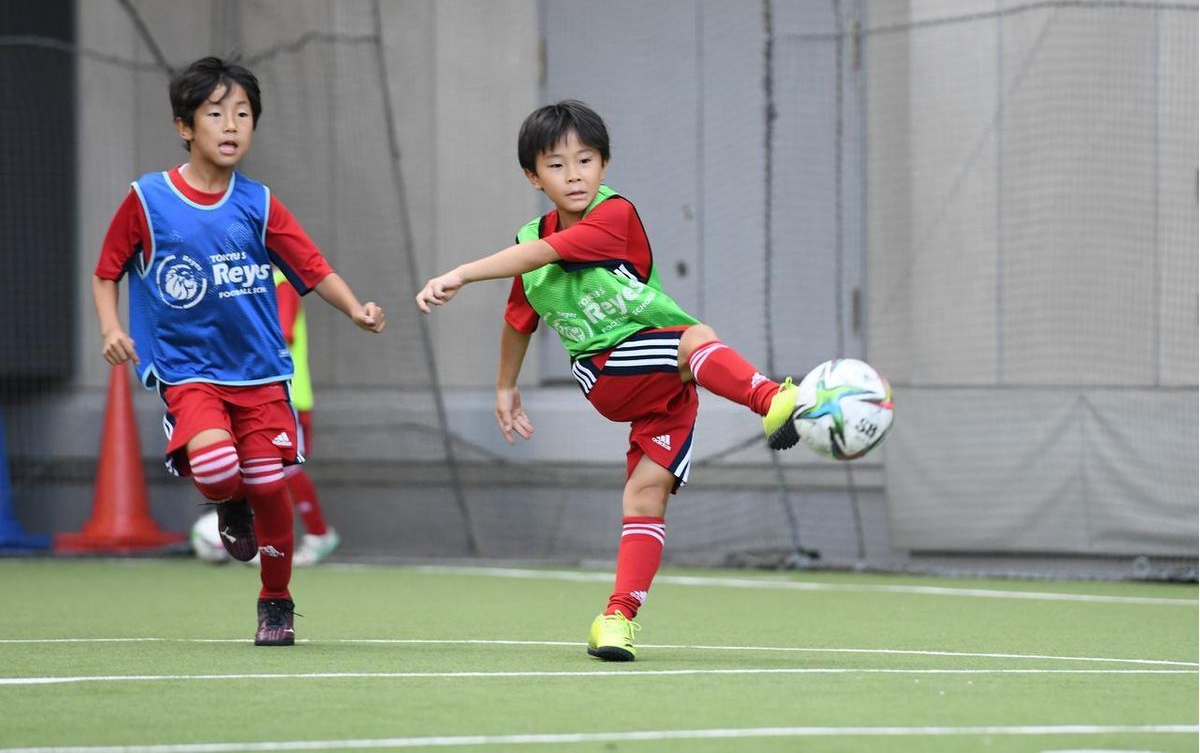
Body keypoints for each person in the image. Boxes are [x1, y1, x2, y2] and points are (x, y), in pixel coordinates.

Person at [415, 100, 803, 662]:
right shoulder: (532, 241)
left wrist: (460, 273)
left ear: (605, 165)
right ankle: (771, 398)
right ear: (532, 176)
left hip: (668, 385)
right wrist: (505, 385)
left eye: (586, 160)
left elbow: (543, 254)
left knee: (645, 496)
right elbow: (519, 315)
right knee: (694, 338)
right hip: (609, 370)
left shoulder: (614, 216)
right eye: (556, 164)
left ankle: (615, 620)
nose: (573, 174)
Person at [93, 56, 385, 646]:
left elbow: (311, 266)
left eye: (243, 114)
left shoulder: (259, 203)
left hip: (258, 374)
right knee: (221, 468)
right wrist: (110, 328)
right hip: (188, 371)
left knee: (271, 486)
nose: (231, 126)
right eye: (216, 113)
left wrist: (355, 308)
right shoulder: (148, 200)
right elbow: (106, 271)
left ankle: (275, 601)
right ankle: (229, 506)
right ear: (185, 126)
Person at [273, 268, 341, 566]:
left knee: (286, 468)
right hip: (268, 395)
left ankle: (318, 533)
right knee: (263, 469)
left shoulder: (281, 285)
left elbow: (282, 334)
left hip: (288, 396)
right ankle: (264, 540)